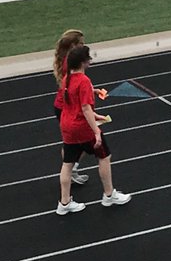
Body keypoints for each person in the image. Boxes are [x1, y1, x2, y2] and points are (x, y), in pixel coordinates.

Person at [56, 43, 130, 215]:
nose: (90, 61)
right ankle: (109, 195)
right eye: (88, 59)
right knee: (104, 157)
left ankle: (64, 203)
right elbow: (85, 108)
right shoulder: (84, 81)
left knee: (67, 164)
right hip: (82, 128)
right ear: (83, 62)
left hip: (67, 125)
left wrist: (94, 107)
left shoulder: (66, 78)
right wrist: (96, 131)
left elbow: (72, 102)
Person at [52, 29, 106, 186]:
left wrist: (91, 90)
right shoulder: (69, 63)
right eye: (81, 43)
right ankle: (70, 170)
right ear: (73, 45)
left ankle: (71, 169)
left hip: (65, 105)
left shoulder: (68, 60)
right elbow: (74, 86)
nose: (84, 46)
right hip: (66, 107)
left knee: (76, 144)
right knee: (75, 144)